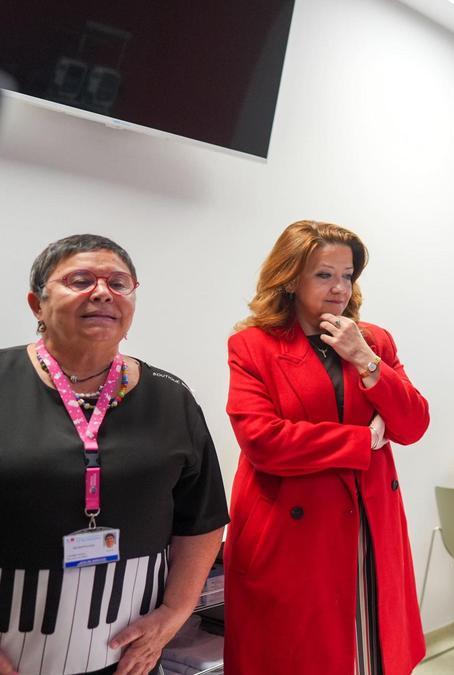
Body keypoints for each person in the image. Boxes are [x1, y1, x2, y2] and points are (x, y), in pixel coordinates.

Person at [0, 234, 228, 675]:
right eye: (80, 279)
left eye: (119, 283)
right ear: (36, 304)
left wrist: (175, 615)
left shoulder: (172, 397)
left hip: (128, 658)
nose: (103, 292)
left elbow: (202, 519)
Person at [224, 220, 430, 675]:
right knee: (298, 655)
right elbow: (264, 441)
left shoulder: (373, 340)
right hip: (292, 530)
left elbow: (413, 424)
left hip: (369, 521)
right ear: (292, 277)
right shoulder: (252, 346)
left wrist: (367, 361)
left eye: (348, 274)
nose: (339, 287)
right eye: (324, 274)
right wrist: (364, 439)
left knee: (368, 646)